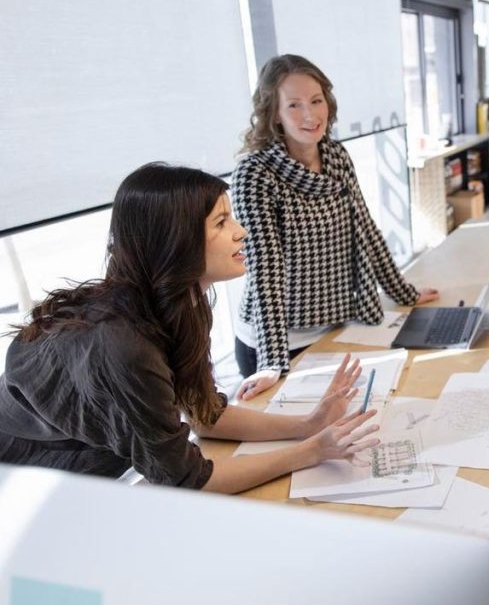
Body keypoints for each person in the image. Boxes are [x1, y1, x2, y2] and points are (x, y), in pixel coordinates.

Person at [0, 164, 380, 493]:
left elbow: (203, 413)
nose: (241, 232)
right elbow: (187, 480)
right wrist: (312, 451)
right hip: (27, 474)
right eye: (221, 222)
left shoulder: (184, 304)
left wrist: (308, 425)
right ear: (175, 239)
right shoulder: (125, 345)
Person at [232, 54, 438, 400]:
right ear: (274, 113)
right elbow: (264, 269)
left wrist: (404, 292)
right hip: (279, 340)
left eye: (316, 100)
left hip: (334, 323)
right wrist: (271, 362)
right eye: (294, 105)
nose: (310, 115)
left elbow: (364, 229)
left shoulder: (336, 156)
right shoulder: (254, 174)